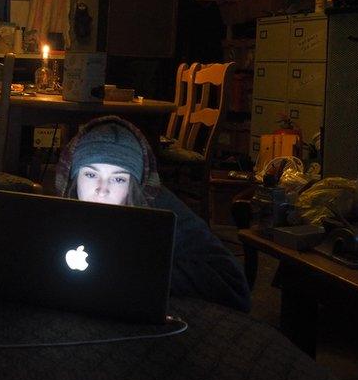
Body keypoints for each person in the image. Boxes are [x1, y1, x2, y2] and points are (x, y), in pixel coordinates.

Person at [55, 116, 251, 312]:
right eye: (90, 174)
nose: (102, 189)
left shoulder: (162, 209)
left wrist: (140, 275)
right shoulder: (59, 206)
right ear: (73, 177)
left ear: (134, 183)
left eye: (118, 179)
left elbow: (233, 284)